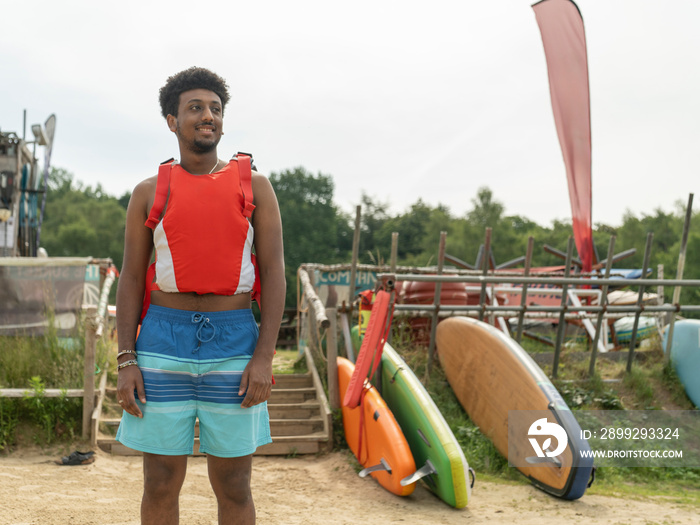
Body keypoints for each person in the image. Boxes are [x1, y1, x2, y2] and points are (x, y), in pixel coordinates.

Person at [115, 66, 286, 525]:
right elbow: (131, 279)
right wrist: (126, 359)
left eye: (215, 108)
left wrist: (264, 356)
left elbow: (274, 273)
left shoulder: (256, 187)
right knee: (160, 483)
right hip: (161, 342)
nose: (206, 115)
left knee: (234, 485)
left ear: (223, 121)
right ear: (172, 121)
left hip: (234, 342)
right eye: (194, 108)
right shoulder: (149, 193)